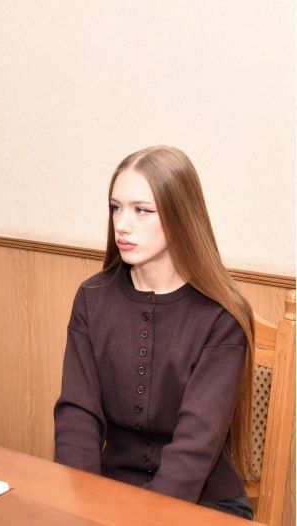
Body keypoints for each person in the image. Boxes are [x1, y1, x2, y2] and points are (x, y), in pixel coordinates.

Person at [53, 146, 255, 519]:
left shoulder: (222, 316)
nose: (122, 224)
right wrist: (80, 504)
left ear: (180, 216)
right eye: (116, 207)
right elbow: (77, 416)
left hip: (205, 504)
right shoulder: (92, 298)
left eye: (141, 210)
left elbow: (195, 448)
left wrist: (138, 517)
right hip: (109, 498)